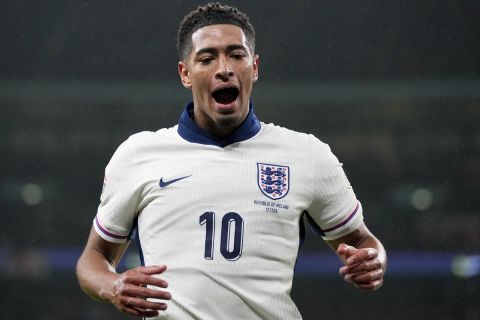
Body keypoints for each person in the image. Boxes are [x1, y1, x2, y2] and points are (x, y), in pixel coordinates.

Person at [76, 2, 387, 319]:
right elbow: (94, 256)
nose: (223, 68)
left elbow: (362, 240)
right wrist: (112, 285)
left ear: (254, 67)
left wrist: (373, 260)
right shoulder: (138, 154)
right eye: (207, 58)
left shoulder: (307, 155)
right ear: (185, 73)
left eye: (236, 55)